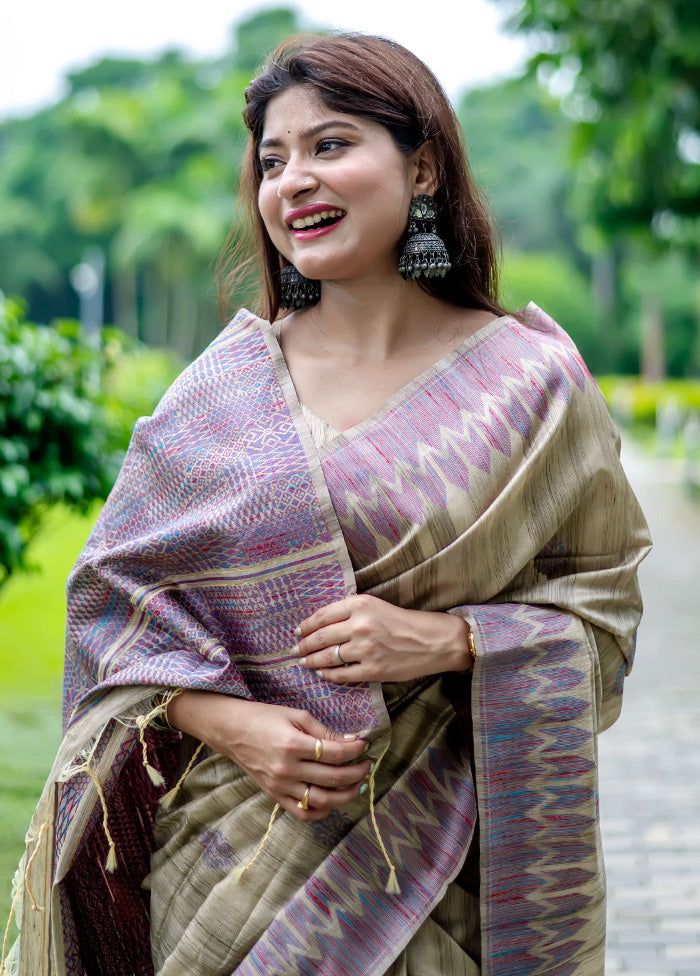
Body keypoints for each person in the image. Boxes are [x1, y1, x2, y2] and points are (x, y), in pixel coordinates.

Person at [6, 32, 650, 976]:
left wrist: (454, 641)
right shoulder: (223, 391)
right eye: (273, 161)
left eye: (331, 145)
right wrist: (237, 725)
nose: (293, 181)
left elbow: (606, 611)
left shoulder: (533, 386)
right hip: (225, 881)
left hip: (442, 876)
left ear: (422, 165)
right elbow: (111, 605)